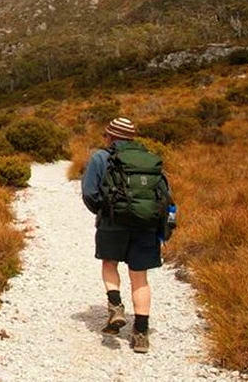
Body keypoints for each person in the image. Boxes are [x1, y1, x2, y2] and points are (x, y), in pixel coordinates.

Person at [81, 117, 172, 354]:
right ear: (131, 138)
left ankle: (115, 306)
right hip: (146, 225)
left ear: (110, 137)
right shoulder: (150, 160)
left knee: (109, 263)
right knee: (139, 277)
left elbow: (90, 193)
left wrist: (105, 211)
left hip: (113, 223)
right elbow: (165, 195)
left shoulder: (101, 158)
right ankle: (141, 333)